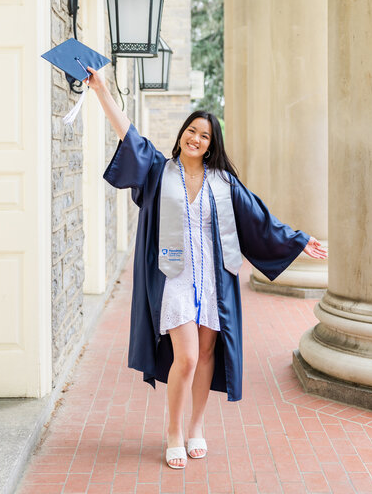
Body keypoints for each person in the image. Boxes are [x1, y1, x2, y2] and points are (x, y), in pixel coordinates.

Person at [86, 66, 328, 469]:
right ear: (182, 133)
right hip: (174, 279)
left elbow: (260, 221)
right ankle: (173, 431)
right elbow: (127, 133)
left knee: (209, 351)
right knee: (188, 357)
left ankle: (197, 427)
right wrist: (102, 91)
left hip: (215, 282)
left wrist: (300, 240)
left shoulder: (223, 183)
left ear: (211, 144)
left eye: (205, 136)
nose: (196, 139)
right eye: (192, 131)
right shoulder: (158, 172)